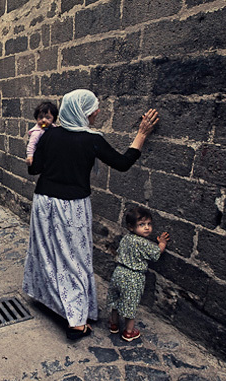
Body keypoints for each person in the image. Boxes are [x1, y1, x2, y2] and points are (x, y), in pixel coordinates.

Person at [23, 88, 160, 341]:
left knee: (46, 251)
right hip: (71, 208)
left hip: (43, 203)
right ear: (81, 112)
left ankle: (49, 297)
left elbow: (35, 171)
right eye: (93, 108)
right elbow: (122, 163)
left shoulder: (48, 135)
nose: (96, 112)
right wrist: (141, 134)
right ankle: (75, 322)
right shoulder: (91, 139)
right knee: (74, 259)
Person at [107, 207, 170, 342]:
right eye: (142, 225)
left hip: (118, 273)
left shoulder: (126, 238)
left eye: (149, 224)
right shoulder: (144, 243)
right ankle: (129, 332)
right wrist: (162, 243)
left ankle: (114, 324)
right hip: (133, 277)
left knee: (116, 300)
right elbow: (156, 253)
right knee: (131, 305)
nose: (147, 228)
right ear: (131, 227)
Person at [26, 101, 59, 166]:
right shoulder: (37, 132)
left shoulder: (53, 127)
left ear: (53, 119)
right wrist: (30, 156)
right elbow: (31, 144)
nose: (43, 120)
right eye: (40, 117)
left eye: (47, 117)